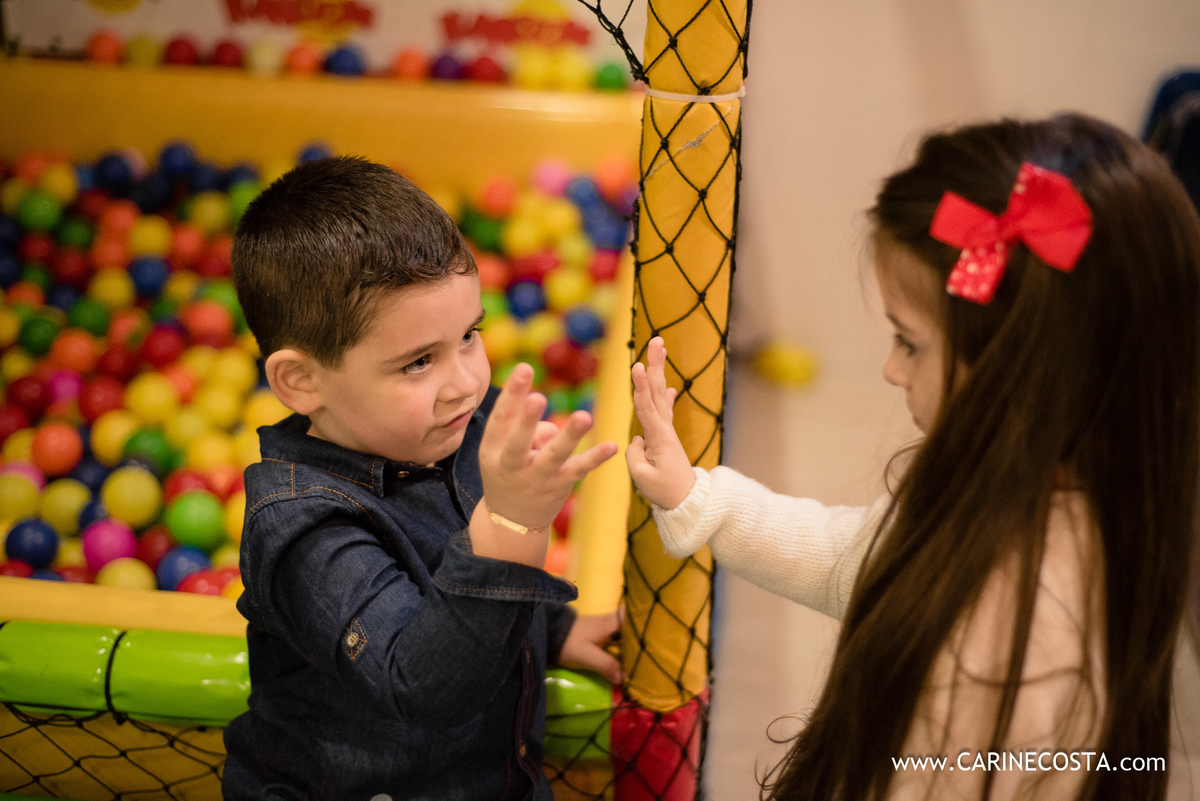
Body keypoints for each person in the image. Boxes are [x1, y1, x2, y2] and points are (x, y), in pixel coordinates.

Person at [626, 114, 1200, 800]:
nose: (892, 370)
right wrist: (698, 496)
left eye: (910, 341)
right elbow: (862, 559)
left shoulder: (1009, 642)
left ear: (1018, 370)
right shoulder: (1022, 489)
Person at [222, 156, 621, 800]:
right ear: (302, 382)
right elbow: (423, 683)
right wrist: (512, 525)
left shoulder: (456, 425)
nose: (464, 381)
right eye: (417, 363)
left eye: (469, 335)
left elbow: (449, 577)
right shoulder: (303, 526)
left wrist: (552, 627)